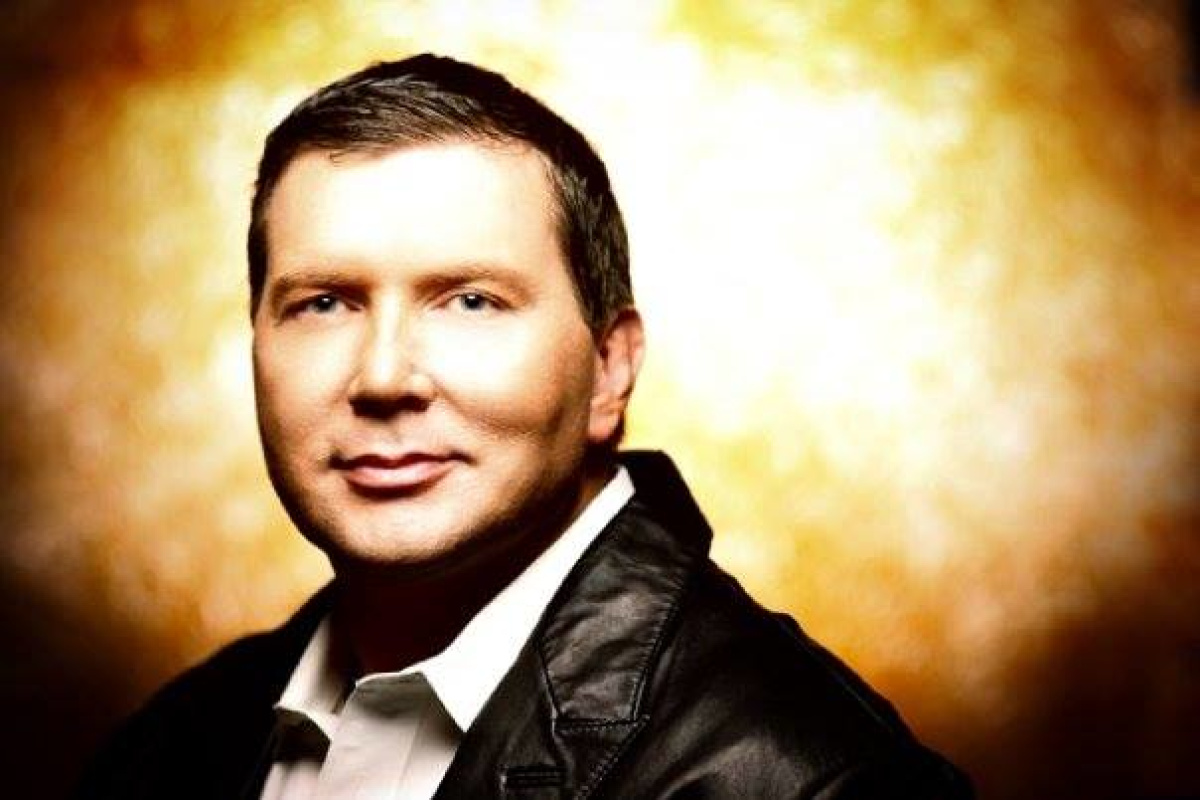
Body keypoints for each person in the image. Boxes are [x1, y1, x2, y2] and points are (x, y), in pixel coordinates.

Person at [76, 54, 973, 799]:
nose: (383, 377)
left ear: (610, 368)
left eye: (470, 301)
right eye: (323, 303)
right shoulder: (172, 744)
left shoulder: (812, 780)